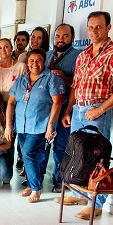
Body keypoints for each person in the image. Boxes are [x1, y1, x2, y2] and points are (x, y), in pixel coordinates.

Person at [56, 11, 113, 220]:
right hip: (78, 111)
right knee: (77, 155)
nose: (94, 31)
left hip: (97, 111)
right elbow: (75, 85)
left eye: (99, 26)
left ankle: (96, 204)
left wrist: (100, 110)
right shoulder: (83, 55)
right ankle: (79, 194)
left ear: (108, 27)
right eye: (91, 27)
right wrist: (68, 110)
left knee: (97, 158)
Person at [6, 49, 64, 203]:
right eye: (31, 60)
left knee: (28, 153)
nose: (35, 64)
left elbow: (57, 103)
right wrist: (8, 125)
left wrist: (50, 125)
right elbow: (11, 102)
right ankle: (32, 185)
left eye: (38, 60)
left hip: (40, 126)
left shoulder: (51, 78)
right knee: (34, 156)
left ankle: (36, 188)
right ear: (27, 62)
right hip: (22, 126)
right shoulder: (21, 80)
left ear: (44, 61)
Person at [0, 38, 27, 180]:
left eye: (6, 47)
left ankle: (6, 172)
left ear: (11, 48)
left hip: (14, 107)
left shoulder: (20, 66)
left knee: (9, 139)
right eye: (0, 47)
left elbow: (25, 89)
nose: (3, 50)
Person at [45, 24, 82, 193]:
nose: (60, 39)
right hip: (45, 109)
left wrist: (64, 77)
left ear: (72, 38)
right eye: (58, 36)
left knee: (61, 147)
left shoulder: (78, 57)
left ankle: (59, 181)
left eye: (65, 36)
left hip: (65, 108)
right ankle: (35, 179)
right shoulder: (46, 56)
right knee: (42, 146)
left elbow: (79, 84)